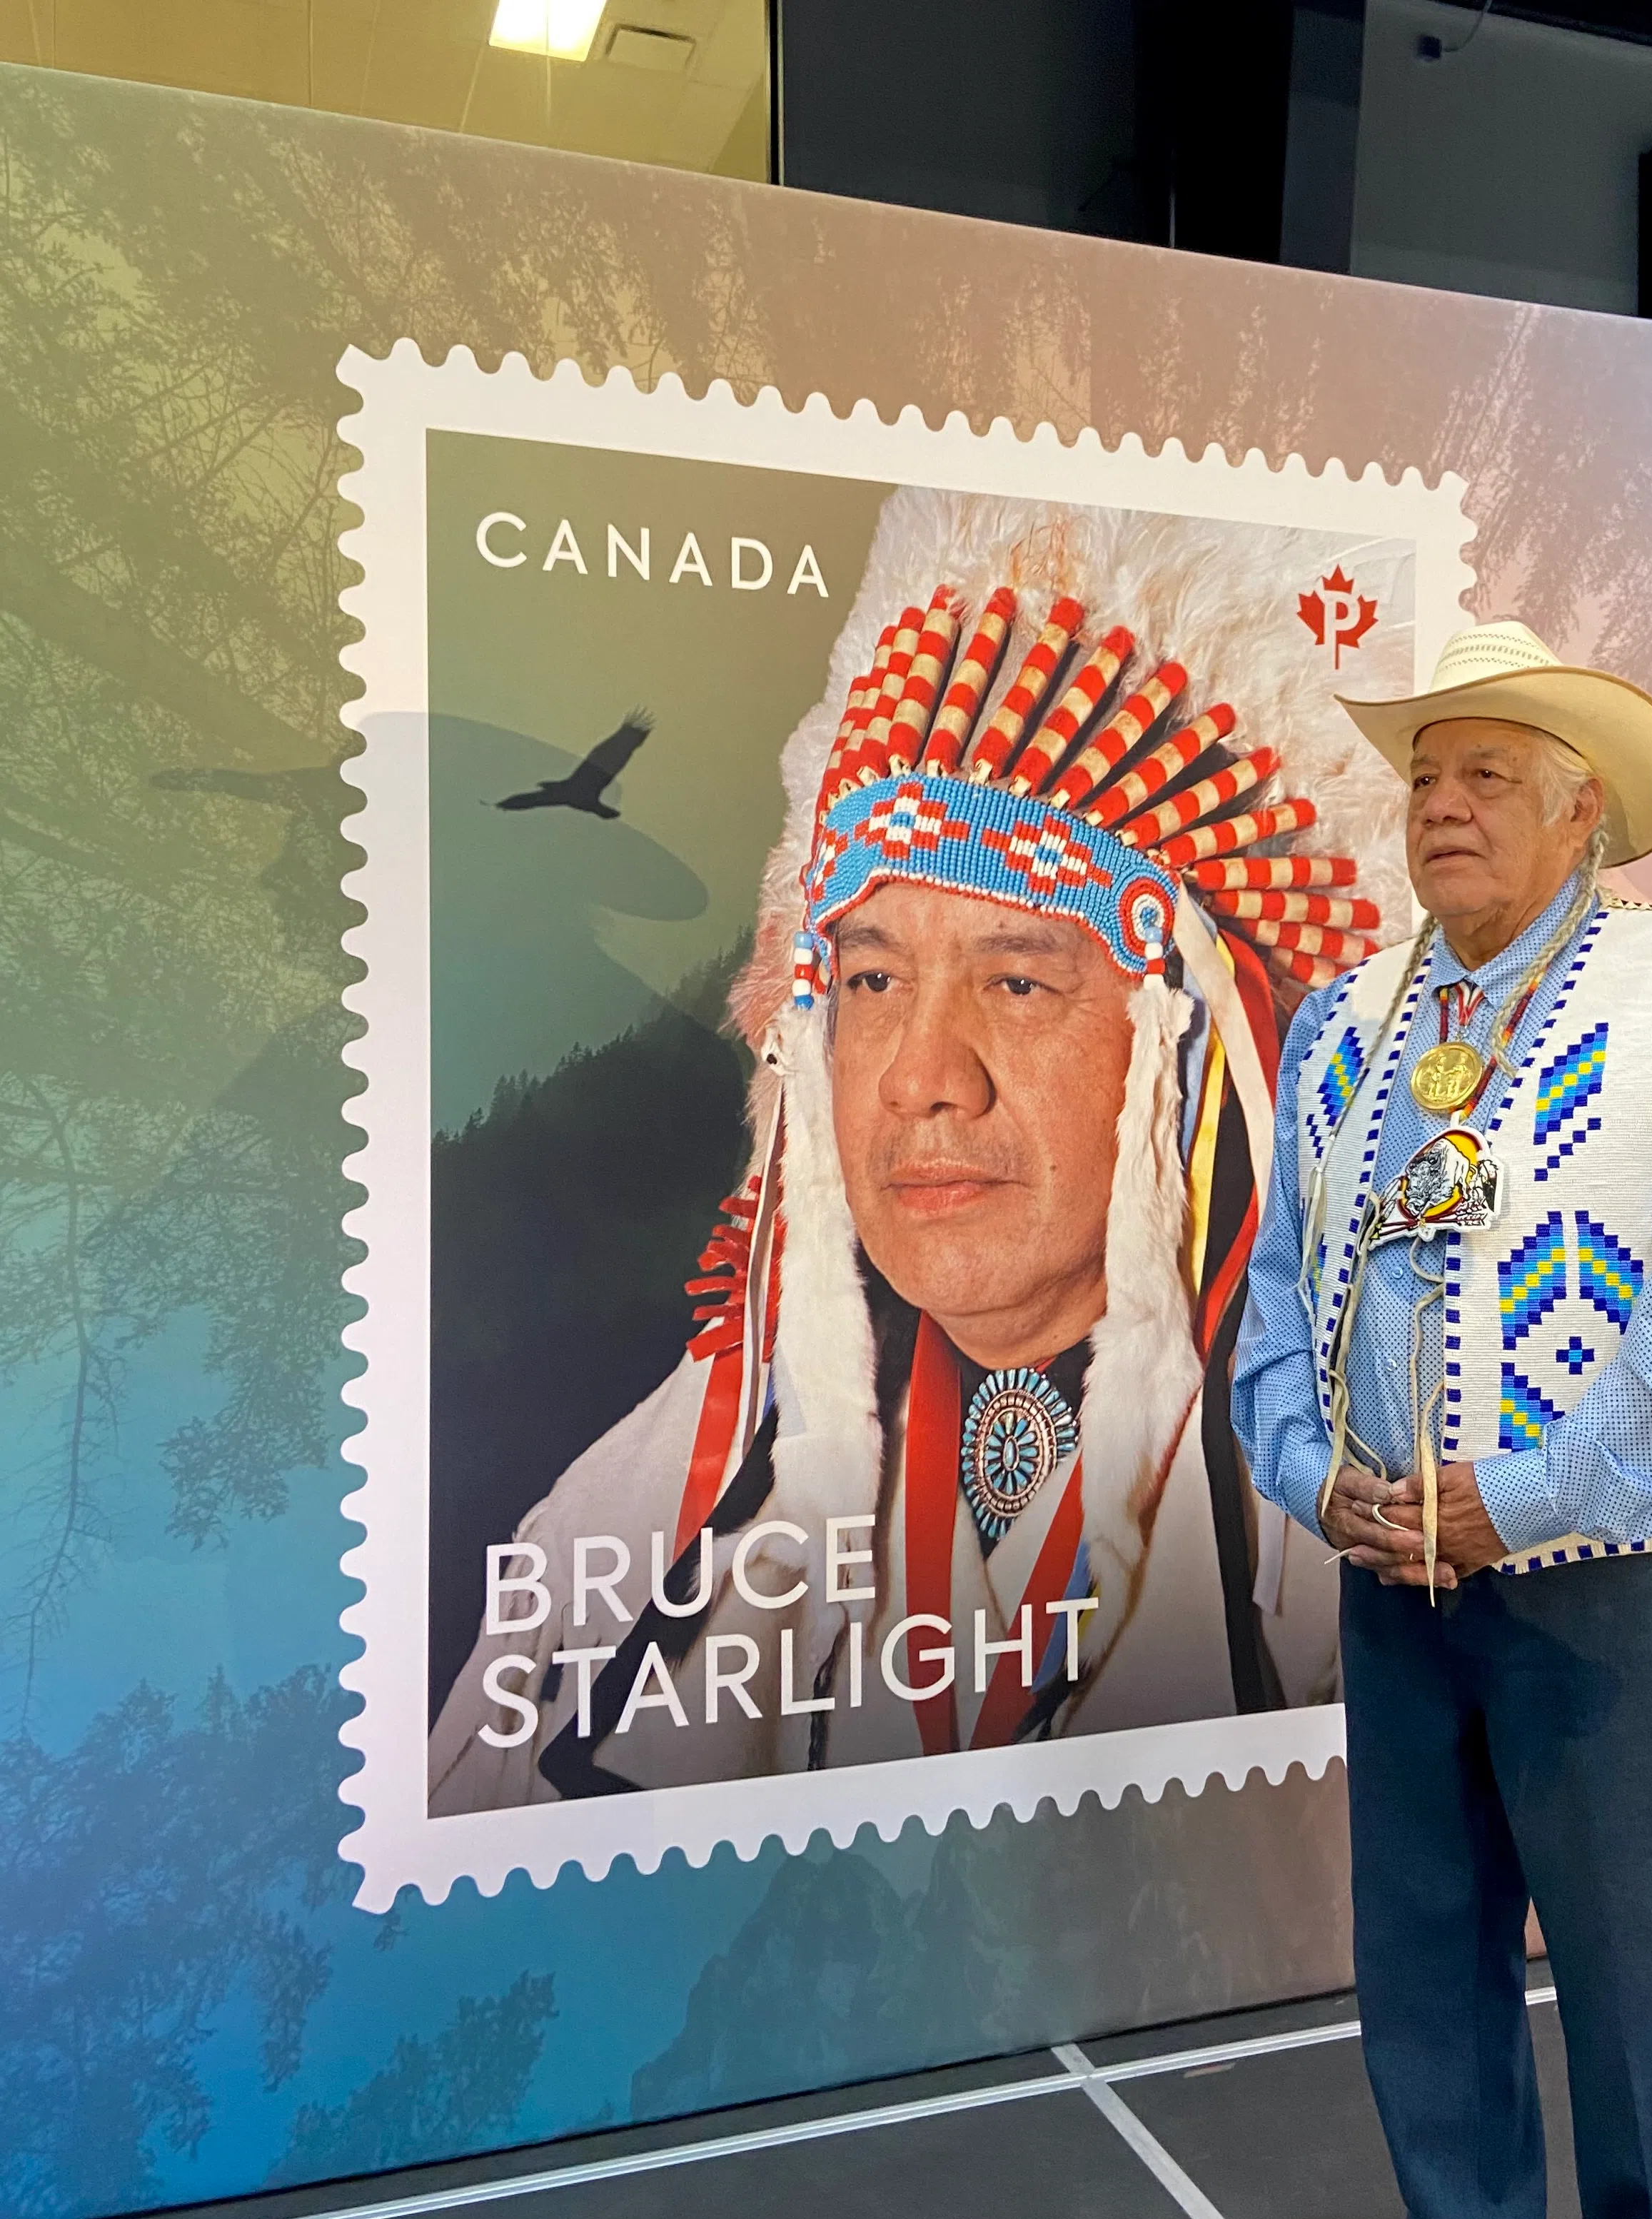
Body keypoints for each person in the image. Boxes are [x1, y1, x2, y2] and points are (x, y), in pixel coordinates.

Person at [428, 491, 1414, 1806]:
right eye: (874, 983)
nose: (918, 1080)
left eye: (1018, 982)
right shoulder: (644, 1509)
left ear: (1186, 1056)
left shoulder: (1361, 1513)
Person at [1233, 619, 1652, 2219]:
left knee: (1644, 1964)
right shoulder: (1341, 1023)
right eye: (1425, 776)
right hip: (1395, 1578)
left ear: (1581, 814)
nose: (1443, 805)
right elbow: (1271, 1295)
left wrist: (1531, 1495)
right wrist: (1313, 1473)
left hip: (1607, 1585)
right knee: (1423, 1940)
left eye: (1487, 775)